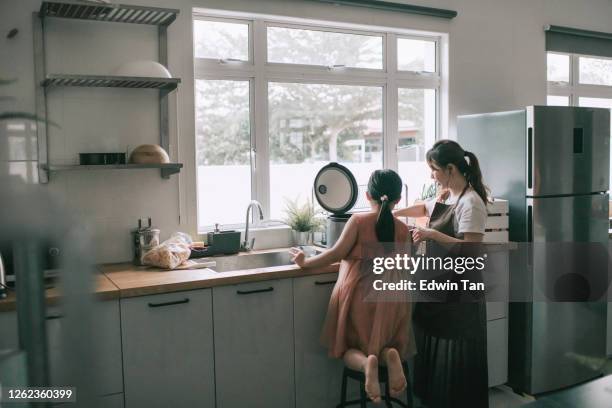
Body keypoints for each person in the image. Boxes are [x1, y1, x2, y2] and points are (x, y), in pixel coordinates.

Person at [290, 169, 414, 404]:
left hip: (359, 293)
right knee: (387, 342)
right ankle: (390, 355)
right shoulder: (403, 228)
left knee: (348, 347)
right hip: (394, 296)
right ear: (398, 200)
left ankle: (367, 363)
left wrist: (305, 262)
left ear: (368, 195)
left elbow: (335, 253)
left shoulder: (357, 221)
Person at [394, 139, 490, 408]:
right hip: (439, 288)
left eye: (434, 169)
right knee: (436, 356)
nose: (431, 175)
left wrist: (430, 233)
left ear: (450, 168)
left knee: (455, 361)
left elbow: (471, 250)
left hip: (459, 293)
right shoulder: (447, 194)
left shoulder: (471, 203)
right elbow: (425, 209)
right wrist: (392, 212)